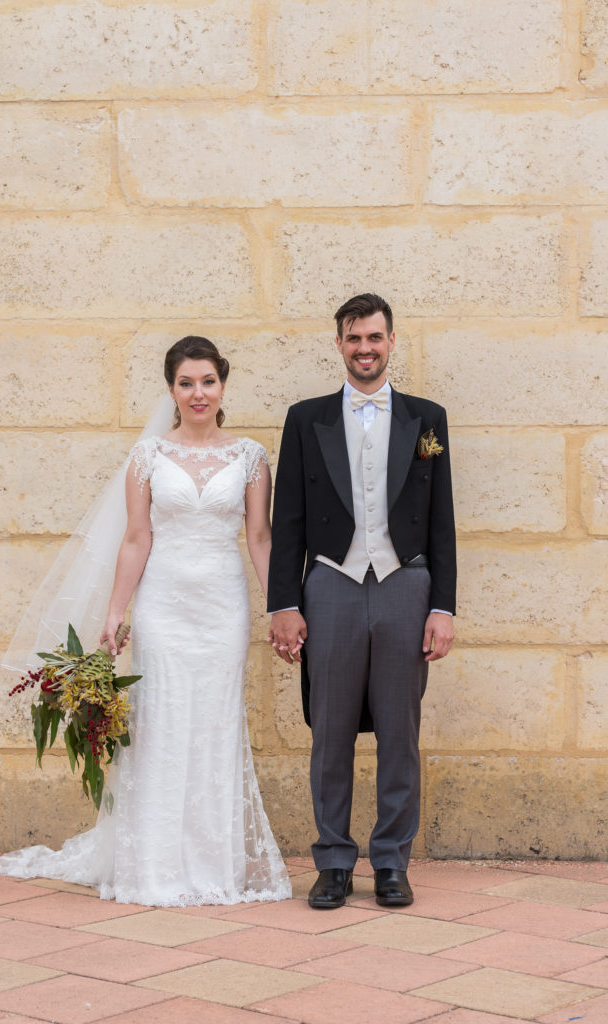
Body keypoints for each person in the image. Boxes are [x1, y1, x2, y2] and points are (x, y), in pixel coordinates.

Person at [0, 336, 291, 907]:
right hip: (163, 607)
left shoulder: (251, 457)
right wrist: (115, 611)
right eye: (186, 383)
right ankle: (154, 864)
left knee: (214, 723)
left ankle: (211, 863)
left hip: (223, 607)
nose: (198, 393)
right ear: (172, 390)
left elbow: (260, 538)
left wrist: (281, 604)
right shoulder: (148, 457)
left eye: (207, 381)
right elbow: (136, 538)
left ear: (223, 384)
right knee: (161, 721)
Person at [268, 293, 456, 910]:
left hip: (407, 583)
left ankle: (392, 862)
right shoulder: (306, 418)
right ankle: (333, 861)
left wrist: (443, 606)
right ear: (340, 344)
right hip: (331, 584)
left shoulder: (427, 418)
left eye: (375, 338)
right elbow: (288, 519)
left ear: (391, 341)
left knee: (401, 730)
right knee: (331, 730)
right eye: (354, 339)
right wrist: (284, 603)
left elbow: (442, 523)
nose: (365, 349)